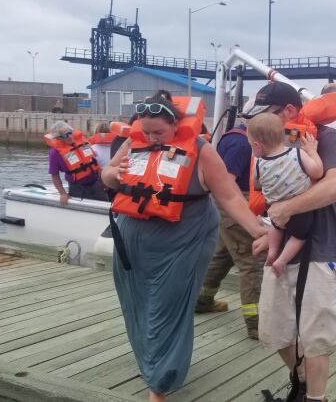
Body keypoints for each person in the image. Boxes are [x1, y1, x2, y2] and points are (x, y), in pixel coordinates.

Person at [102, 91, 267, 402]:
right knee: (136, 305)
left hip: (183, 242)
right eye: (146, 131)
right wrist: (115, 172)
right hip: (132, 244)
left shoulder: (202, 151)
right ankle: (151, 362)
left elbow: (230, 197)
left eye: (158, 132)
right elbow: (107, 176)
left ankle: (160, 383)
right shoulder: (133, 142)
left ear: (175, 125)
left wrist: (257, 230)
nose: (151, 138)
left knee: (168, 309)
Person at [247, 81, 336, 402]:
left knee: (317, 335)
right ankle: (302, 380)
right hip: (285, 247)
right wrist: (270, 230)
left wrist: (284, 210)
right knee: (274, 330)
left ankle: (315, 397)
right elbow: (269, 190)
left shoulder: (324, 138)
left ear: (290, 111)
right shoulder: (271, 144)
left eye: (267, 115)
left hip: (319, 249)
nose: (260, 124)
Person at [195, 117, 266, 340]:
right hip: (236, 205)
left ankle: (202, 300)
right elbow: (228, 181)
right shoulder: (241, 143)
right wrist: (247, 214)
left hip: (225, 208)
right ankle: (256, 324)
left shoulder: (232, 138)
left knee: (222, 255)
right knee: (251, 262)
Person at [248, 112, 324, 277]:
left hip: (275, 211)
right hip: (299, 211)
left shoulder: (258, 164)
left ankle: (273, 252)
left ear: (257, 146)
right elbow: (317, 172)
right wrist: (312, 152)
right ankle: (281, 260)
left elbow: (257, 185)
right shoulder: (297, 153)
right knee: (300, 236)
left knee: (276, 227)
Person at [45, 120, 108, 205]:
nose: (70, 136)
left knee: (107, 209)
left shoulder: (82, 142)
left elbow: (96, 164)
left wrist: (103, 182)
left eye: (70, 132)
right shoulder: (54, 153)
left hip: (96, 184)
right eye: (65, 135)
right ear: (58, 138)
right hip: (78, 188)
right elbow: (55, 176)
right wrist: (63, 193)